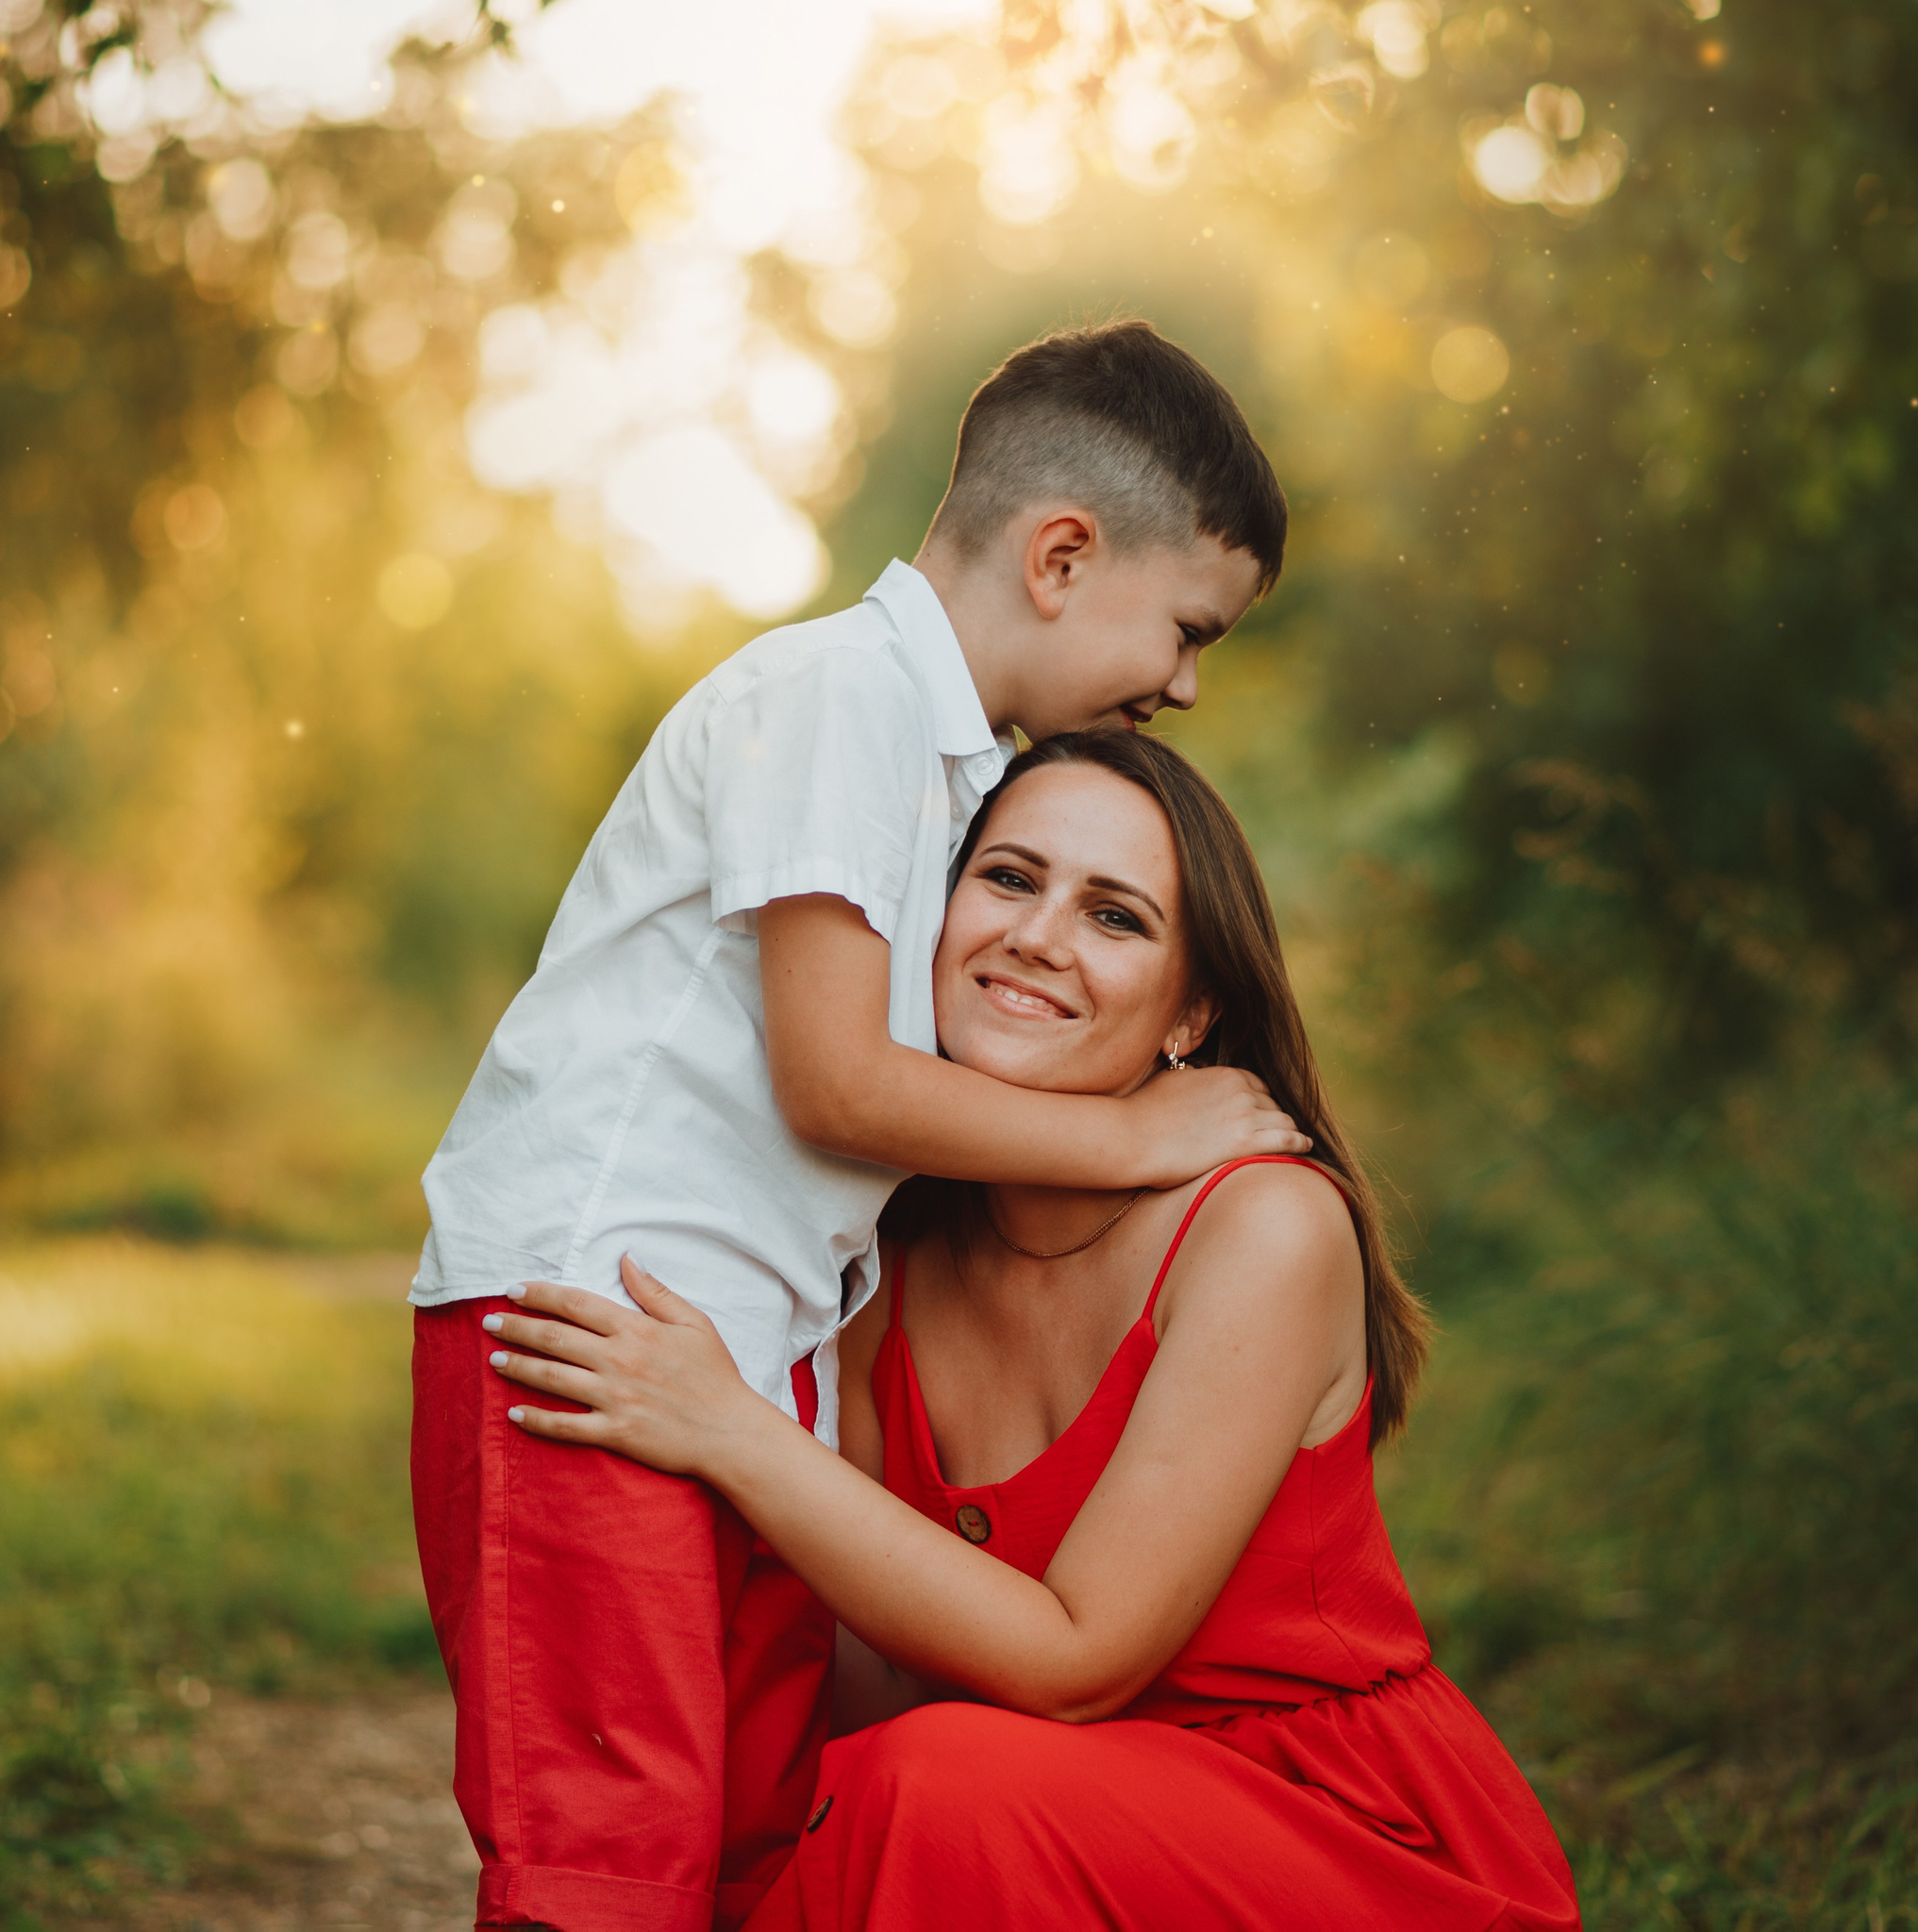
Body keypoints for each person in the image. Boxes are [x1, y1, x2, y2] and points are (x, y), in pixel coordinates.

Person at [409, 323, 1302, 1932]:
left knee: (754, 1825)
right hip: (588, 1326)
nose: (1181, 681)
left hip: (732, 1350)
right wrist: (1143, 1136)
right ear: (1061, 554)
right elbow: (837, 1081)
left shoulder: (939, 758)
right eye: (1185, 628)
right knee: (606, 1851)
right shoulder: (841, 695)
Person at [485, 731, 1582, 1930]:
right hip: (1029, 1824)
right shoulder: (886, 1263)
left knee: (929, 1786)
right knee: (796, 1788)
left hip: (1334, 1836)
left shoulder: (1264, 1225)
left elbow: (1073, 1664)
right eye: (1008, 877)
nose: (1039, 937)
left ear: (1192, 1010)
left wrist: (729, 1432)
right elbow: (879, 1670)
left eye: (1115, 917)